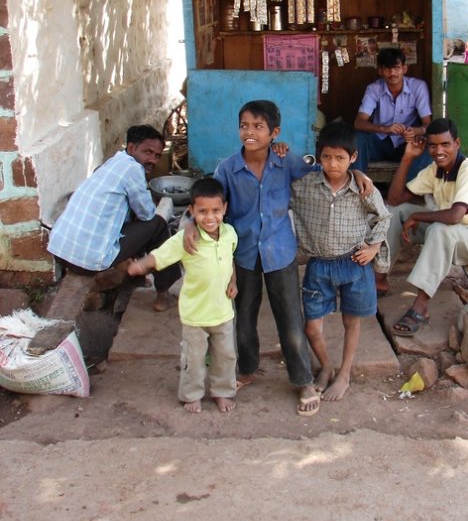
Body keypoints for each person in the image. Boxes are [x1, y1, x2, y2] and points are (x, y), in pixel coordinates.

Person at [182, 99, 373, 417]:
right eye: (244, 125)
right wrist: (191, 221)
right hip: (242, 253)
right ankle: (247, 369)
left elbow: (324, 171)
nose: (250, 132)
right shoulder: (228, 168)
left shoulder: (286, 162)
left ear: (275, 133)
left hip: (280, 252)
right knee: (244, 317)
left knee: (291, 319)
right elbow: (209, 202)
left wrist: (355, 171)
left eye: (258, 126)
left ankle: (303, 380)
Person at [291, 121, 391, 401]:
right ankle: (326, 366)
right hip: (319, 265)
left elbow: (384, 217)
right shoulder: (305, 185)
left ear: (353, 157)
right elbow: (276, 189)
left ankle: (344, 374)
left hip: (354, 263)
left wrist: (374, 247)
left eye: (340, 158)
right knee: (312, 327)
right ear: (319, 156)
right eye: (326, 157)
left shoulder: (363, 189)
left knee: (352, 321)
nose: (333, 164)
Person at [383, 117, 468, 338]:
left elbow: (455, 216)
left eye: (445, 144)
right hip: (450, 234)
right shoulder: (435, 170)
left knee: (440, 229)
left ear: (457, 143)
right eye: (433, 145)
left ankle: (420, 307)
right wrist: (408, 158)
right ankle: (379, 280)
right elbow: (394, 199)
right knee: (395, 213)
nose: (439, 151)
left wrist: (418, 215)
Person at [128, 178, 238, 414]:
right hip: (195, 314)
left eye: (216, 211)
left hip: (223, 311)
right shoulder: (186, 239)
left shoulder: (230, 233)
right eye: (202, 211)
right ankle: (192, 394)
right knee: (193, 358)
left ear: (225, 208)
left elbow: (230, 260)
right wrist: (141, 265)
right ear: (191, 211)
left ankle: (222, 391)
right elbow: (161, 254)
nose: (210, 217)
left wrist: (233, 282)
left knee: (226, 356)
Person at [48, 124, 180, 311]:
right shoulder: (133, 169)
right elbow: (147, 213)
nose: (152, 159)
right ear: (131, 148)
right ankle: (163, 295)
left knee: (135, 220)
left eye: (157, 155)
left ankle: (136, 277)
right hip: (88, 260)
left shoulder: (112, 163)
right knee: (157, 225)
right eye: (147, 152)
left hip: (60, 251)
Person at [352, 47, 432, 177]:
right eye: (387, 69)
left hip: (407, 144)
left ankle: (411, 186)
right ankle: (356, 182)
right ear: (380, 71)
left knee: (428, 142)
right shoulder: (374, 89)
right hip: (379, 143)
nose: (392, 73)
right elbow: (359, 123)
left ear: (404, 69)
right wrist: (384, 129)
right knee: (358, 137)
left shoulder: (418, 87)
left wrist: (415, 131)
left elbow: (428, 124)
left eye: (396, 68)